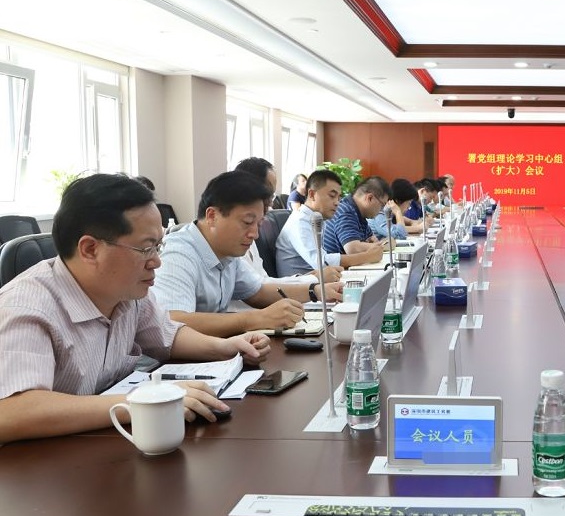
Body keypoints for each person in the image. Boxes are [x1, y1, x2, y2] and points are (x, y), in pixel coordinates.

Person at [0, 174, 270, 443]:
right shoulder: (27, 305)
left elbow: (167, 335)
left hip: (104, 444)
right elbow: (12, 411)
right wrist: (142, 402)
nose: (157, 262)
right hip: (43, 460)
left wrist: (226, 347)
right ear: (90, 249)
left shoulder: (126, 292)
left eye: (158, 246)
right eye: (146, 249)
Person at [151, 170, 343, 338]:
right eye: (247, 222)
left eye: (258, 224)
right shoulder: (179, 253)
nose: (255, 234)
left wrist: (315, 291)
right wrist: (255, 319)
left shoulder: (227, 251)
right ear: (212, 216)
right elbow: (173, 320)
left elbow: (257, 292)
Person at [276, 170, 382, 275]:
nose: (337, 203)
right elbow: (321, 262)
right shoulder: (299, 221)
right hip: (303, 283)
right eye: (332, 196)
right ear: (312, 194)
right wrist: (367, 256)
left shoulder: (317, 219)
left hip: (320, 280)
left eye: (338, 197)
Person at [322, 176, 387, 263]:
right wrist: (376, 246)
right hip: (334, 269)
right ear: (370, 198)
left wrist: (370, 245)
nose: (381, 210)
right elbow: (352, 249)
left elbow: (373, 240)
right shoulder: (346, 211)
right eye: (382, 205)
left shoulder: (359, 212)